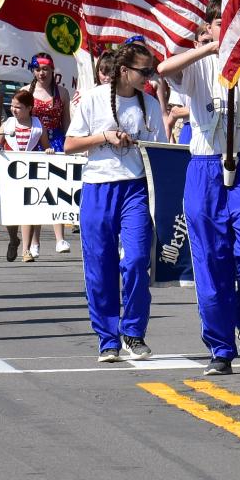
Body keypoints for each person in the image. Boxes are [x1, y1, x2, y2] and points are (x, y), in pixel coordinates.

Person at [155, 23, 240, 374]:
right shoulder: (200, 66)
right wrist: (213, 49)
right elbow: (163, 70)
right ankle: (220, 348)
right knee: (211, 262)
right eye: (219, 31)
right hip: (205, 166)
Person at [66, 41, 164, 362]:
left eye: (151, 70)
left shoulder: (149, 104)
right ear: (124, 71)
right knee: (100, 265)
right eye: (144, 71)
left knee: (136, 260)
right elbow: (70, 144)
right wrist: (104, 137)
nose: (149, 76)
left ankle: (133, 333)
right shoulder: (94, 99)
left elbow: (162, 149)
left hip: (135, 188)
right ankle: (107, 337)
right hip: (98, 187)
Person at [0, 88, 49, 261]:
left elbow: (45, 145)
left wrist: (48, 150)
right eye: (12, 106)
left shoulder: (38, 125)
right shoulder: (8, 124)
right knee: (11, 214)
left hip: (29, 173)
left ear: (29, 108)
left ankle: (25, 250)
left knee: (27, 211)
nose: (13, 109)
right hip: (9, 175)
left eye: (18, 107)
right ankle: (13, 239)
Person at [27, 53, 73, 253]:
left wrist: (70, 144)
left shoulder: (61, 92)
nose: (41, 73)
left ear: (53, 70)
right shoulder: (25, 92)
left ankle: (60, 238)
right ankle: (35, 242)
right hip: (35, 143)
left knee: (57, 190)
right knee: (36, 192)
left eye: (45, 69)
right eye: (37, 69)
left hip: (56, 142)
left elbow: (66, 122)